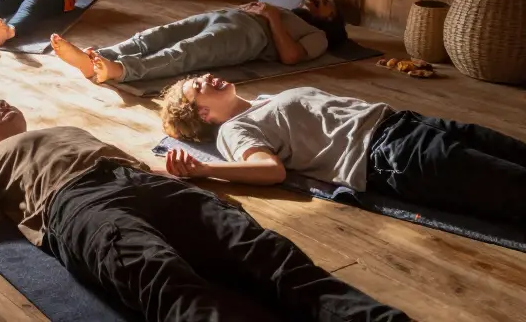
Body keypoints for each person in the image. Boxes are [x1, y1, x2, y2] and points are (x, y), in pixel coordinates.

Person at [0, 100, 408, 322]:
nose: (2, 103)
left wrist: (192, 174)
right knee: (164, 280)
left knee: (264, 253)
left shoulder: (63, 128)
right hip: (77, 203)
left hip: (143, 182)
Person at [158, 78, 526, 227]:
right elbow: (270, 170)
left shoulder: (264, 101)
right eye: (199, 87)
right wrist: (205, 171)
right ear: (202, 114)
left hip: (408, 124)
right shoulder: (233, 130)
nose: (208, 79)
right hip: (393, 155)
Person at [49, 0, 344, 85]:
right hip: (224, 14)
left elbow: (291, 57)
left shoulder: (318, 36)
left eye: (326, 2)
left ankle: (121, 70)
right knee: (156, 35)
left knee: (186, 51)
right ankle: (96, 57)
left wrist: (272, 17)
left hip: (247, 36)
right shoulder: (285, 6)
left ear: (331, 20)